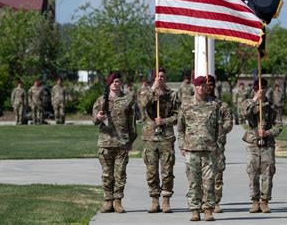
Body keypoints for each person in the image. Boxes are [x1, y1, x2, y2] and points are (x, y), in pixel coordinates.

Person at [177, 76, 223, 221]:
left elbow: (218, 127)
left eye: (204, 85)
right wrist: (181, 146)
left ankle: (208, 209)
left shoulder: (214, 105)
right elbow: (180, 128)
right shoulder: (186, 105)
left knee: (209, 181)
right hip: (191, 149)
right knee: (193, 181)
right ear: (194, 87)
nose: (202, 88)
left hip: (209, 149)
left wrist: (217, 144)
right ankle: (195, 210)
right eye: (199, 85)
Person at [92, 72, 136, 213]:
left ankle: (118, 201)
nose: (115, 84)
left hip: (122, 143)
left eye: (118, 81)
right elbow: (94, 120)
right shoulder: (101, 100)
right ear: (109, 84)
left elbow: (132, 123)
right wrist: (98, 117)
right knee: (107, 174)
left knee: (120, 174)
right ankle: (108, 201)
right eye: (113, 81)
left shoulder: (128, 100)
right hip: (105, 143)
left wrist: (130, 140)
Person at [240, 79, 283, 214]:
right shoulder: (248, 103)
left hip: (267, 144)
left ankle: (264, 201)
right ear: (254, 89)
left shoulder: (272, 106)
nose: (261, 90)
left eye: (263, 88)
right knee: (252, 173)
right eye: (258, 88)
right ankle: (255, 201)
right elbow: (244, 114)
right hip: (253, 142)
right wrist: (254, 100)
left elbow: (279, 126)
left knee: (267, 173)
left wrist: (267, 132)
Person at [142, 66, 180, 213]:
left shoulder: (172, 95)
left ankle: (166, 199)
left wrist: (165, 121)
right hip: (150, 137)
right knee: (151, 171)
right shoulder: (145, 92)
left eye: (162, 77)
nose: (160, 79)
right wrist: (153, 89)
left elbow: (178, 116)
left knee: (167, 170)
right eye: (158, 77)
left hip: (166, 137)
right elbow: (143, 104)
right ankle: (154, 200)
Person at [206, 75, 233, 213]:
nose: (208, 86)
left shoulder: (221, 106)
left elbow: (229, 122)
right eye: (206, 84)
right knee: (200, 174)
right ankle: (203, 201)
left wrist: (221, 129)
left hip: (217, 146)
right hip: (201, 146)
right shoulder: (198, 105)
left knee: (217, 175)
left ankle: (216, 202)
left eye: (211, 84)